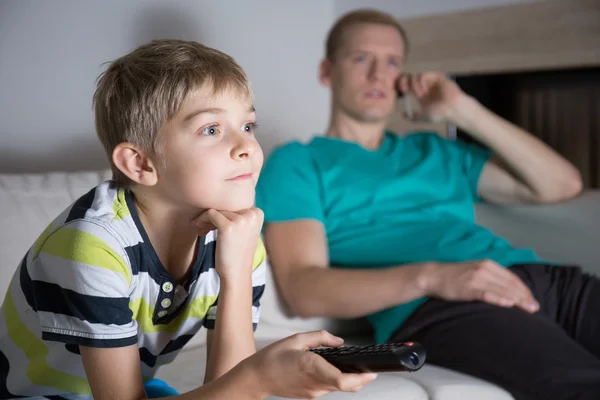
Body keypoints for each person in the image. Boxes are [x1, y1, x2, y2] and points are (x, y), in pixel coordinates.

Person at [0, 39, 376, 399]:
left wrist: (237, 274)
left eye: (248, 126)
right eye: (211, 129)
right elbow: (242, 384)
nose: (247, 146)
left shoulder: (239, 238)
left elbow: (231, 388)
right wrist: (263, 376)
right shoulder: (91, 247)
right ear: (141, 164)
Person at [256, 9, 600, 400]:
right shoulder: (298, 162)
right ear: (326, 71)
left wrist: (461, 109)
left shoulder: (434, 150)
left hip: (547, 281)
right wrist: (434, 277)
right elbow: (304, 288)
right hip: (443, 305)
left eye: (392, 62)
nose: (378, 75)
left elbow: (562, 184)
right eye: (361, 58)